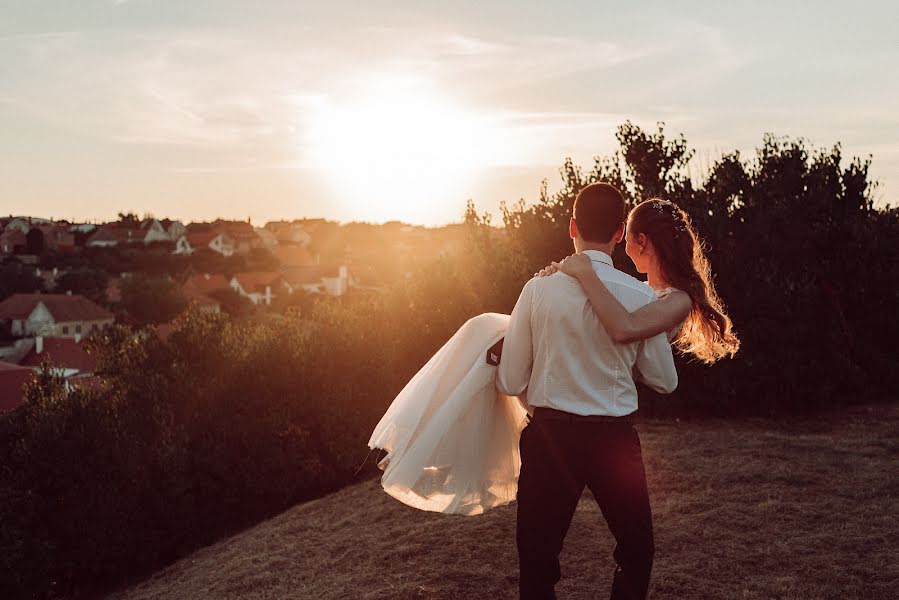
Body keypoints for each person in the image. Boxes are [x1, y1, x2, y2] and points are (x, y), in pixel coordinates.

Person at [494, 183, 678, 600]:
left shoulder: (536, 290)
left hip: (551, 439)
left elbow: (508, 381)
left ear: (571, 226)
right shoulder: (638, 294)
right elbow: (665, 381)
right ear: (619, 233)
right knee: (637, 550)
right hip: (613, 440)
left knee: (537, 561)